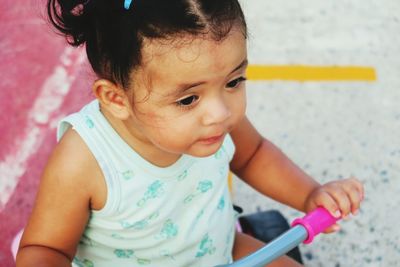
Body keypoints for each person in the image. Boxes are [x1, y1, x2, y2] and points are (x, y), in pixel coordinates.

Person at [16, 0, 364, 266]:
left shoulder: (213, 120)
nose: (220, 113)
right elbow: (45, 248)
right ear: (116, 99)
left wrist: (310, 195)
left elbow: (254, 153)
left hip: (218, 248)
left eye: (233, 81)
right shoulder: (85, 160)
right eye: (188, 99)